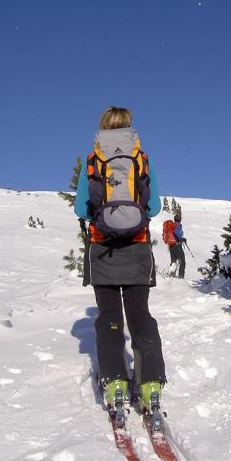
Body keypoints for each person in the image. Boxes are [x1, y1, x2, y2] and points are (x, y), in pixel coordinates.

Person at [74, 106, 166, 415]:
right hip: (138, 248)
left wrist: (104, 217)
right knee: (140, 315)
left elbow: (80, 209)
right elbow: (153, 207)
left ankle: (114, 382)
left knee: (109, 317)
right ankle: (151, 382)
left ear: (102, 127)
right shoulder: (141, 158)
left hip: (103, 250)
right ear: (129, 126)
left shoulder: (93, 160)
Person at [169, 213, 186, 279]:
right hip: (177, 246)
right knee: (182, 262)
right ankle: (181, 277)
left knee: (173, 262)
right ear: (180, 220)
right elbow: (177, 233)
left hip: (171, 246)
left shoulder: (171, 225)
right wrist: (182, 239)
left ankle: (171, 275)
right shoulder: (177, 225)